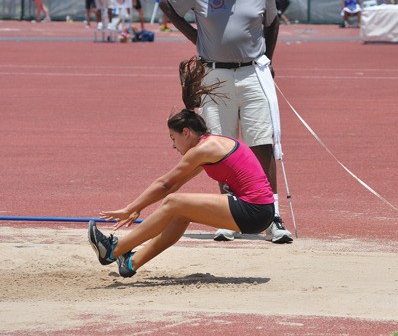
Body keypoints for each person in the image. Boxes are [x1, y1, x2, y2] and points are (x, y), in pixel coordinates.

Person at [159, 0, 293, 244]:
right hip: (214, 75)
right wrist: (197, 39)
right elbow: (167, 5)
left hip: (252, 72)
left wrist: (268, 60)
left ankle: (271, 216)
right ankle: (228, 216)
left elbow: (271, 22)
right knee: (220, 146)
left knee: (262, 143)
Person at [87, 57, 276, 277]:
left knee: (174, 202)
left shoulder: (206, 148)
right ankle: (131, 263)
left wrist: (131, 208)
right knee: (180, 212)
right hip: (257, 211)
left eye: (173, 138)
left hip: (255, 210)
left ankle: (112, 250)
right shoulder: (209, 148)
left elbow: (166, 184)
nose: (173, 145)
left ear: (186, 132)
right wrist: (138, 206)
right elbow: (175, 183)